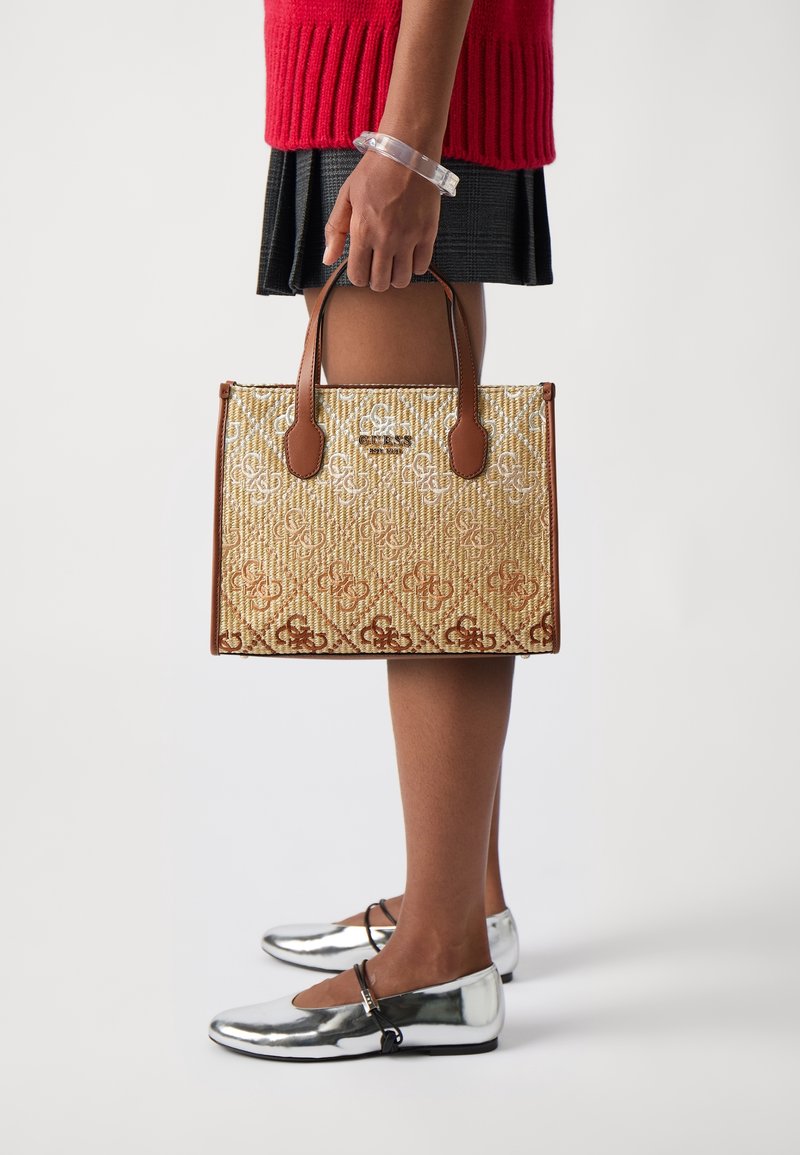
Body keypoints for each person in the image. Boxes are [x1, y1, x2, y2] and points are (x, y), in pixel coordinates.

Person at [209, 0, 556, 1060]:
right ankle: (461, 905)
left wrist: (403, 137)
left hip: (397, 99)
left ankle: (438, 962)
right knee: (430, 527)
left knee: (428, 549)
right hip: (379, 85)